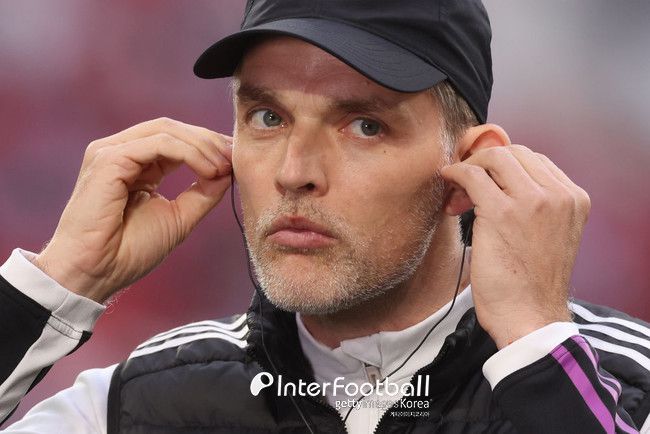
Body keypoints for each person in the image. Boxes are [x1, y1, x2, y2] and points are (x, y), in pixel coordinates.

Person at [1, 0, 649, 432]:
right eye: (268, 117)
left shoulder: (630, 388)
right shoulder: (141, 403)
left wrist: (539, 355)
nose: (294, 171)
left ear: (469, 167)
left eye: (364, 125)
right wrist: (56, 283)